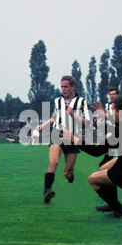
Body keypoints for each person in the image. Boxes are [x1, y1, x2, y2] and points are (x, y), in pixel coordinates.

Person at [63, 96, 122, 218]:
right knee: (103, 168)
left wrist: (73, 139)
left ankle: (118, 209)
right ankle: (111, 203)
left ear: (120, 112)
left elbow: (97, 151)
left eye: (112, 110)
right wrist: (104, 115)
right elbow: (119, 123)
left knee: (93, 180)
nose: (110, 113)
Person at [37, 75, 90, 204]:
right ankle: (47, 190)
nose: (63, 89)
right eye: (62, 86)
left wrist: (73, 114)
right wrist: (43, 125)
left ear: (73, 87)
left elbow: (87, 123)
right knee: (53, 162)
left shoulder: (81, 102)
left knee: (66, 173)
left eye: (66, 86)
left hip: (72, 138)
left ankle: (70, 175)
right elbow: (55, 117)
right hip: (57, 134)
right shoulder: (57, 101)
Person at [93, 87, 119, 167]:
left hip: (120, 129)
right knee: (110, 149)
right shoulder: (107, 105)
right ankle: (105, 165)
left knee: (111, 150)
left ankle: (104, 165)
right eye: (110, 94)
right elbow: (105, 116)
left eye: (113, 94)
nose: (112, 96)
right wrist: (100, 120)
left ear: (117, 95)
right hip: (110, 129)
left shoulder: (121, 105)